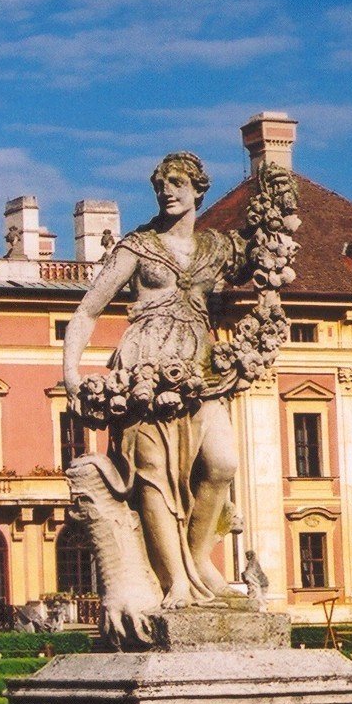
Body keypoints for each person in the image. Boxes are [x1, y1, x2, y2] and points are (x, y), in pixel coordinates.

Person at [63, 153, 242, 608]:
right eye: (161, 184)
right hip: (145, 372)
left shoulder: (217, 249)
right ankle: (174, 580)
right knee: (154, 477)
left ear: (199, 190)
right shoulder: (138, 246)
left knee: (221, 463)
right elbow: (88, 309)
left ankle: (199, 559)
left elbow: (269, 258)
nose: (167, 191)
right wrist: (70, 374)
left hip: (201, 371)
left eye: (178, 183)